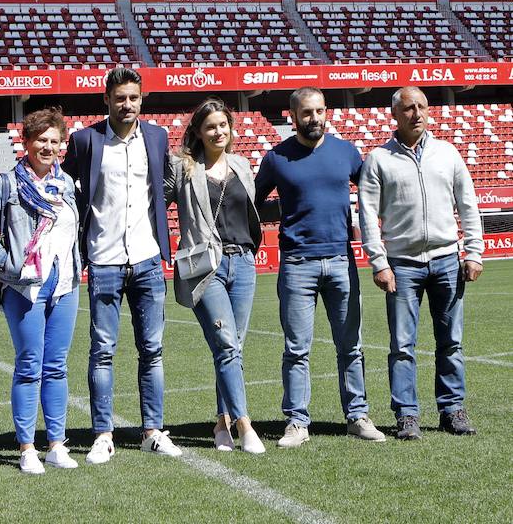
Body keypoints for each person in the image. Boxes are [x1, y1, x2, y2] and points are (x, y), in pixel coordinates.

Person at [60, 67, 182, 464]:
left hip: (147, 258)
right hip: (104, 260)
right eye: (120, 98)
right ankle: (102, 434)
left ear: (141, 98)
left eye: (133, 97)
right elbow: (65, 189)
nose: (127, 104)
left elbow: (163, 187)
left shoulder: (157, 137)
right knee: (103, 351)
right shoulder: (84, 140)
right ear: (107, 100)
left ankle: (152, 430)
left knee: (153, 350)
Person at [255, 86, 385, 448]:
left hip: (343, 261)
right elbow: (252, 203)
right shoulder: (276, 158)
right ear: (292, 116)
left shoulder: (346, 152)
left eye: (320, 111)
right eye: (307, 113)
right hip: (297, 264)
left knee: (351, 346)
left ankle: (357, 416)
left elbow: (374, 193)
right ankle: (297, 422)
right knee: (296, 349)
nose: (314, 118)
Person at [358, 86, 484, 440]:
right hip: (401, 265)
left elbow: (468, 205)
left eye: (422, 107)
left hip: (447, 259)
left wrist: (473, 252)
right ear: (394, 115)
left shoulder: (448, 153)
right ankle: (407, 413)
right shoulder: (379, 159)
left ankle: (452, 409)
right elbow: (367, 215)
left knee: (452, 342)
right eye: (409, 108)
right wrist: (379, 261)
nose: (417, 113)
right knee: (402, 345)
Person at [0, 108, 81, 474]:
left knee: (57, 366)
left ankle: (56, 444)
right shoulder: (6, 183)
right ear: (27, 141)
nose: (47, 147)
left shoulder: (67, 186)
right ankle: (27, 447)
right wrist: (11, 262)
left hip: (64, 285)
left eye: (54, 140)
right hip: (23, 287)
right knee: (30, 365)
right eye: (40, 140)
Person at [164, 97, 265, 454]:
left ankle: (221, 423)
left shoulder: (241, 165)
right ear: (198, 132)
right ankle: (245, 425)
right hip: (207, 267)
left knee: (233, 348)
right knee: (226, 345)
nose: (218, 131)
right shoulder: (183, 168)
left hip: (244, 262)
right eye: (210, 126)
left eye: (223, 125)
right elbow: (153, 202)